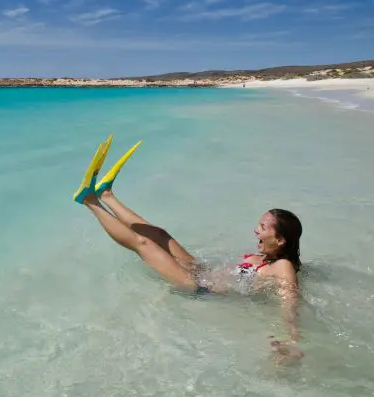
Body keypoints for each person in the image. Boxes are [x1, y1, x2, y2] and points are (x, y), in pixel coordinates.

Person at [73, 135, 304, 363]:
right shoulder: (266, 256)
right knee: (161, 235)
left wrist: (292, 339)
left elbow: (290, 300)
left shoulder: (283, 267)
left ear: (281, 240)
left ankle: (90, 201)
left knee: (143, 245)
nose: (256, 231)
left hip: (199, 287)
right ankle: (107, 195)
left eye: (263, 228)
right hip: (201, 271)